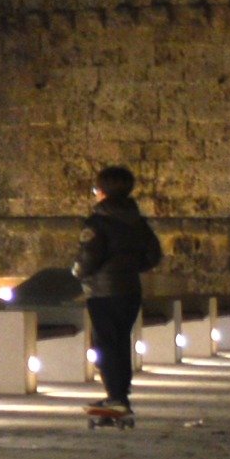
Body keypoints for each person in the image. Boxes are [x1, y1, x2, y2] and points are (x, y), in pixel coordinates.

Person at [74, 164, 162, 422]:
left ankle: (115, 397)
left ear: (102, 192)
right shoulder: (137, 222)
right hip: (130, 291)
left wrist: (77, 273)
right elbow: (153, 255)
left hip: (104, 292)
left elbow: (88, 256)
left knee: (106, 346)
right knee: (120, 344)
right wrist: (132, 268)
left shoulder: (98, 223)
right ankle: (120, 395)